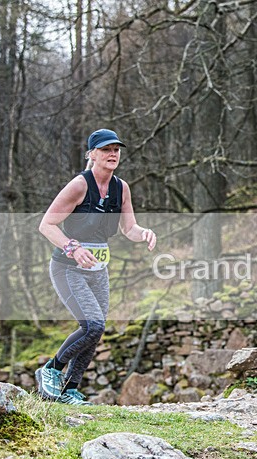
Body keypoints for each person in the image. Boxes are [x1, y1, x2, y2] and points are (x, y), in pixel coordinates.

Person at [36, 129, 157, 405]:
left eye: (116, 149)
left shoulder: (121, 188)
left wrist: (144, 233)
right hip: (68, 268)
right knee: (92, 324)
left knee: (96, 330)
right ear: (92, 154)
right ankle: (51, 369)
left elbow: (129, 228)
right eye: (105, 149)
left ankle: (69, 389)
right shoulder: (79, 185)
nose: (112, 154)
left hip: (98, 271)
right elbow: (47, 224)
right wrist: (73, 248)